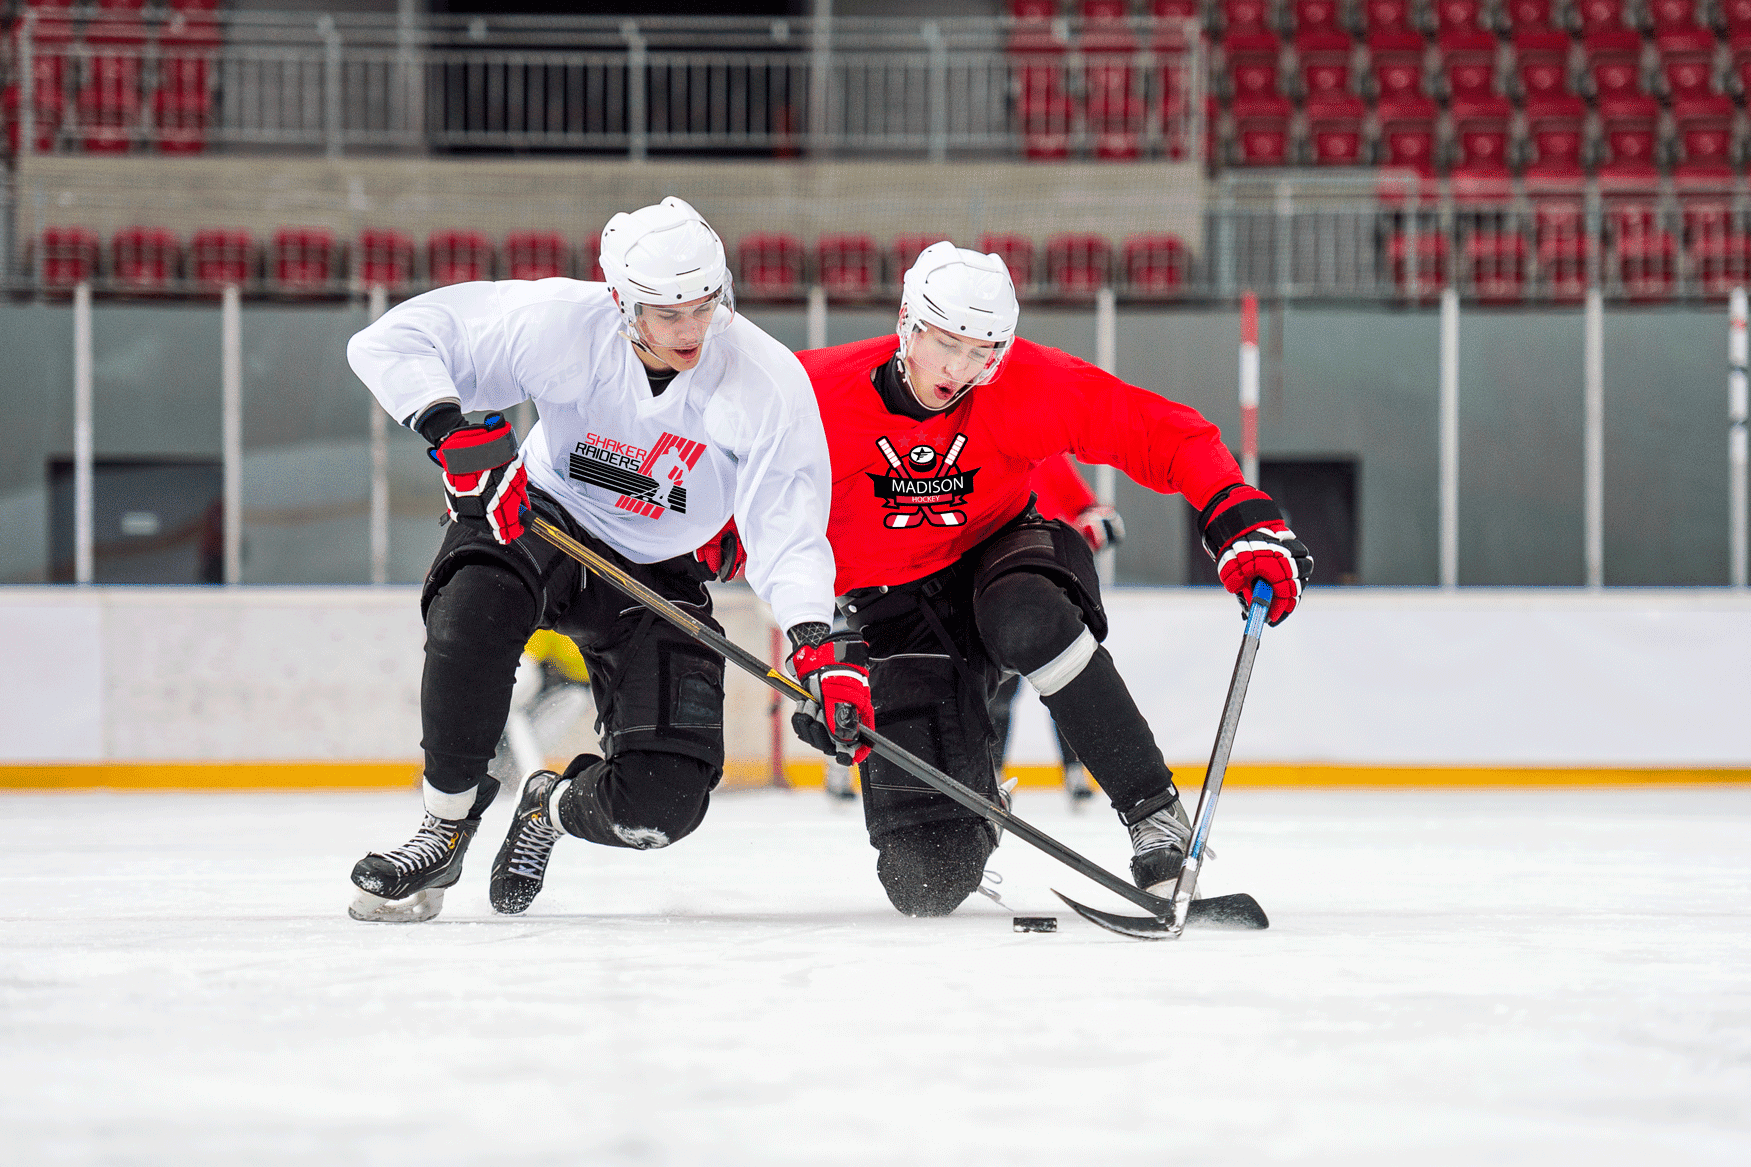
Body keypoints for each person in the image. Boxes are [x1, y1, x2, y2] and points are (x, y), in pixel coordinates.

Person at [344, 197, 872, 922]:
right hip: (544, 515)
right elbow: (388, 342)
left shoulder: (765, 380)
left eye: (703, 305)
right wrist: (448, 431)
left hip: (660, 567)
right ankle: (444, 824)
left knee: (662, 804)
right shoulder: (559, 323)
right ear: (622, 302)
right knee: (470, 614)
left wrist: (815, 641)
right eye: (666, 312)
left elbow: (787, 524)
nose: (690, 330)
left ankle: (546, 810)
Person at [797, 241, 1312, 917]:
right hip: (892, 606)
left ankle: (1155, 818)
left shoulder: (1024, 383)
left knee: (1028, 618)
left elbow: (1167, 434)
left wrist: (1243, 521)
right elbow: (737, 501)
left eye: (983, 350)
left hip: (998, 554)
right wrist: (807, 650)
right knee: (925, 883)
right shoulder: (809, 392)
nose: (959, 369)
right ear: (906, 321)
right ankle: (973, 794)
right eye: (946, 343)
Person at [988, 453, 1125, 804]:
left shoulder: (1048, 456)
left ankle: (1075, 770)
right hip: (1000, 589)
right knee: (998, 692)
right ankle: (990, 772)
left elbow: (1096, 517)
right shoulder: (987, 451)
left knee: (1067, 683)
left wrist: (1086, 533)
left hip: (1052, 588)